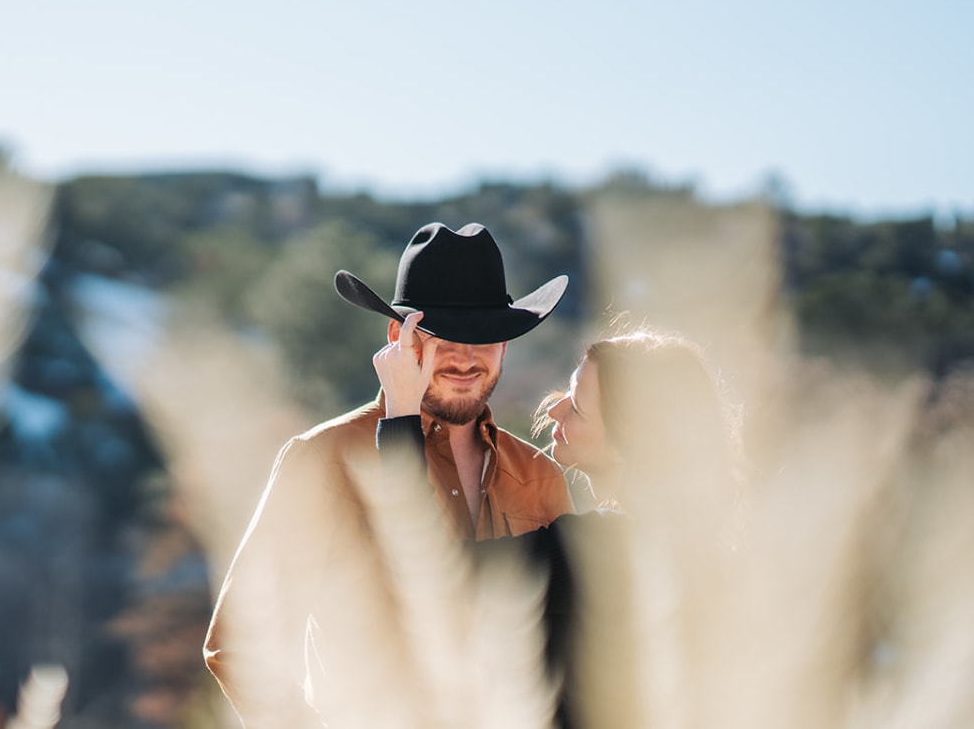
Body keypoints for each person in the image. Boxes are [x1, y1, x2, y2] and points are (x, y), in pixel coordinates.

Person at [204, 222, 576, 727]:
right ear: (398, 338)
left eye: (487, 338)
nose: (467, 359)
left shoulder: (540, 476)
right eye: (444, 336)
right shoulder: (323, 460)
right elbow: (241, 645)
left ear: (506, 345)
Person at [375, 323, 738, 729]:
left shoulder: (594, 549)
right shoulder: (711, 555)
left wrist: (402, 410)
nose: (554, 410)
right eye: (568, 390)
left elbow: (427, 564)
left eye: (578, 408)